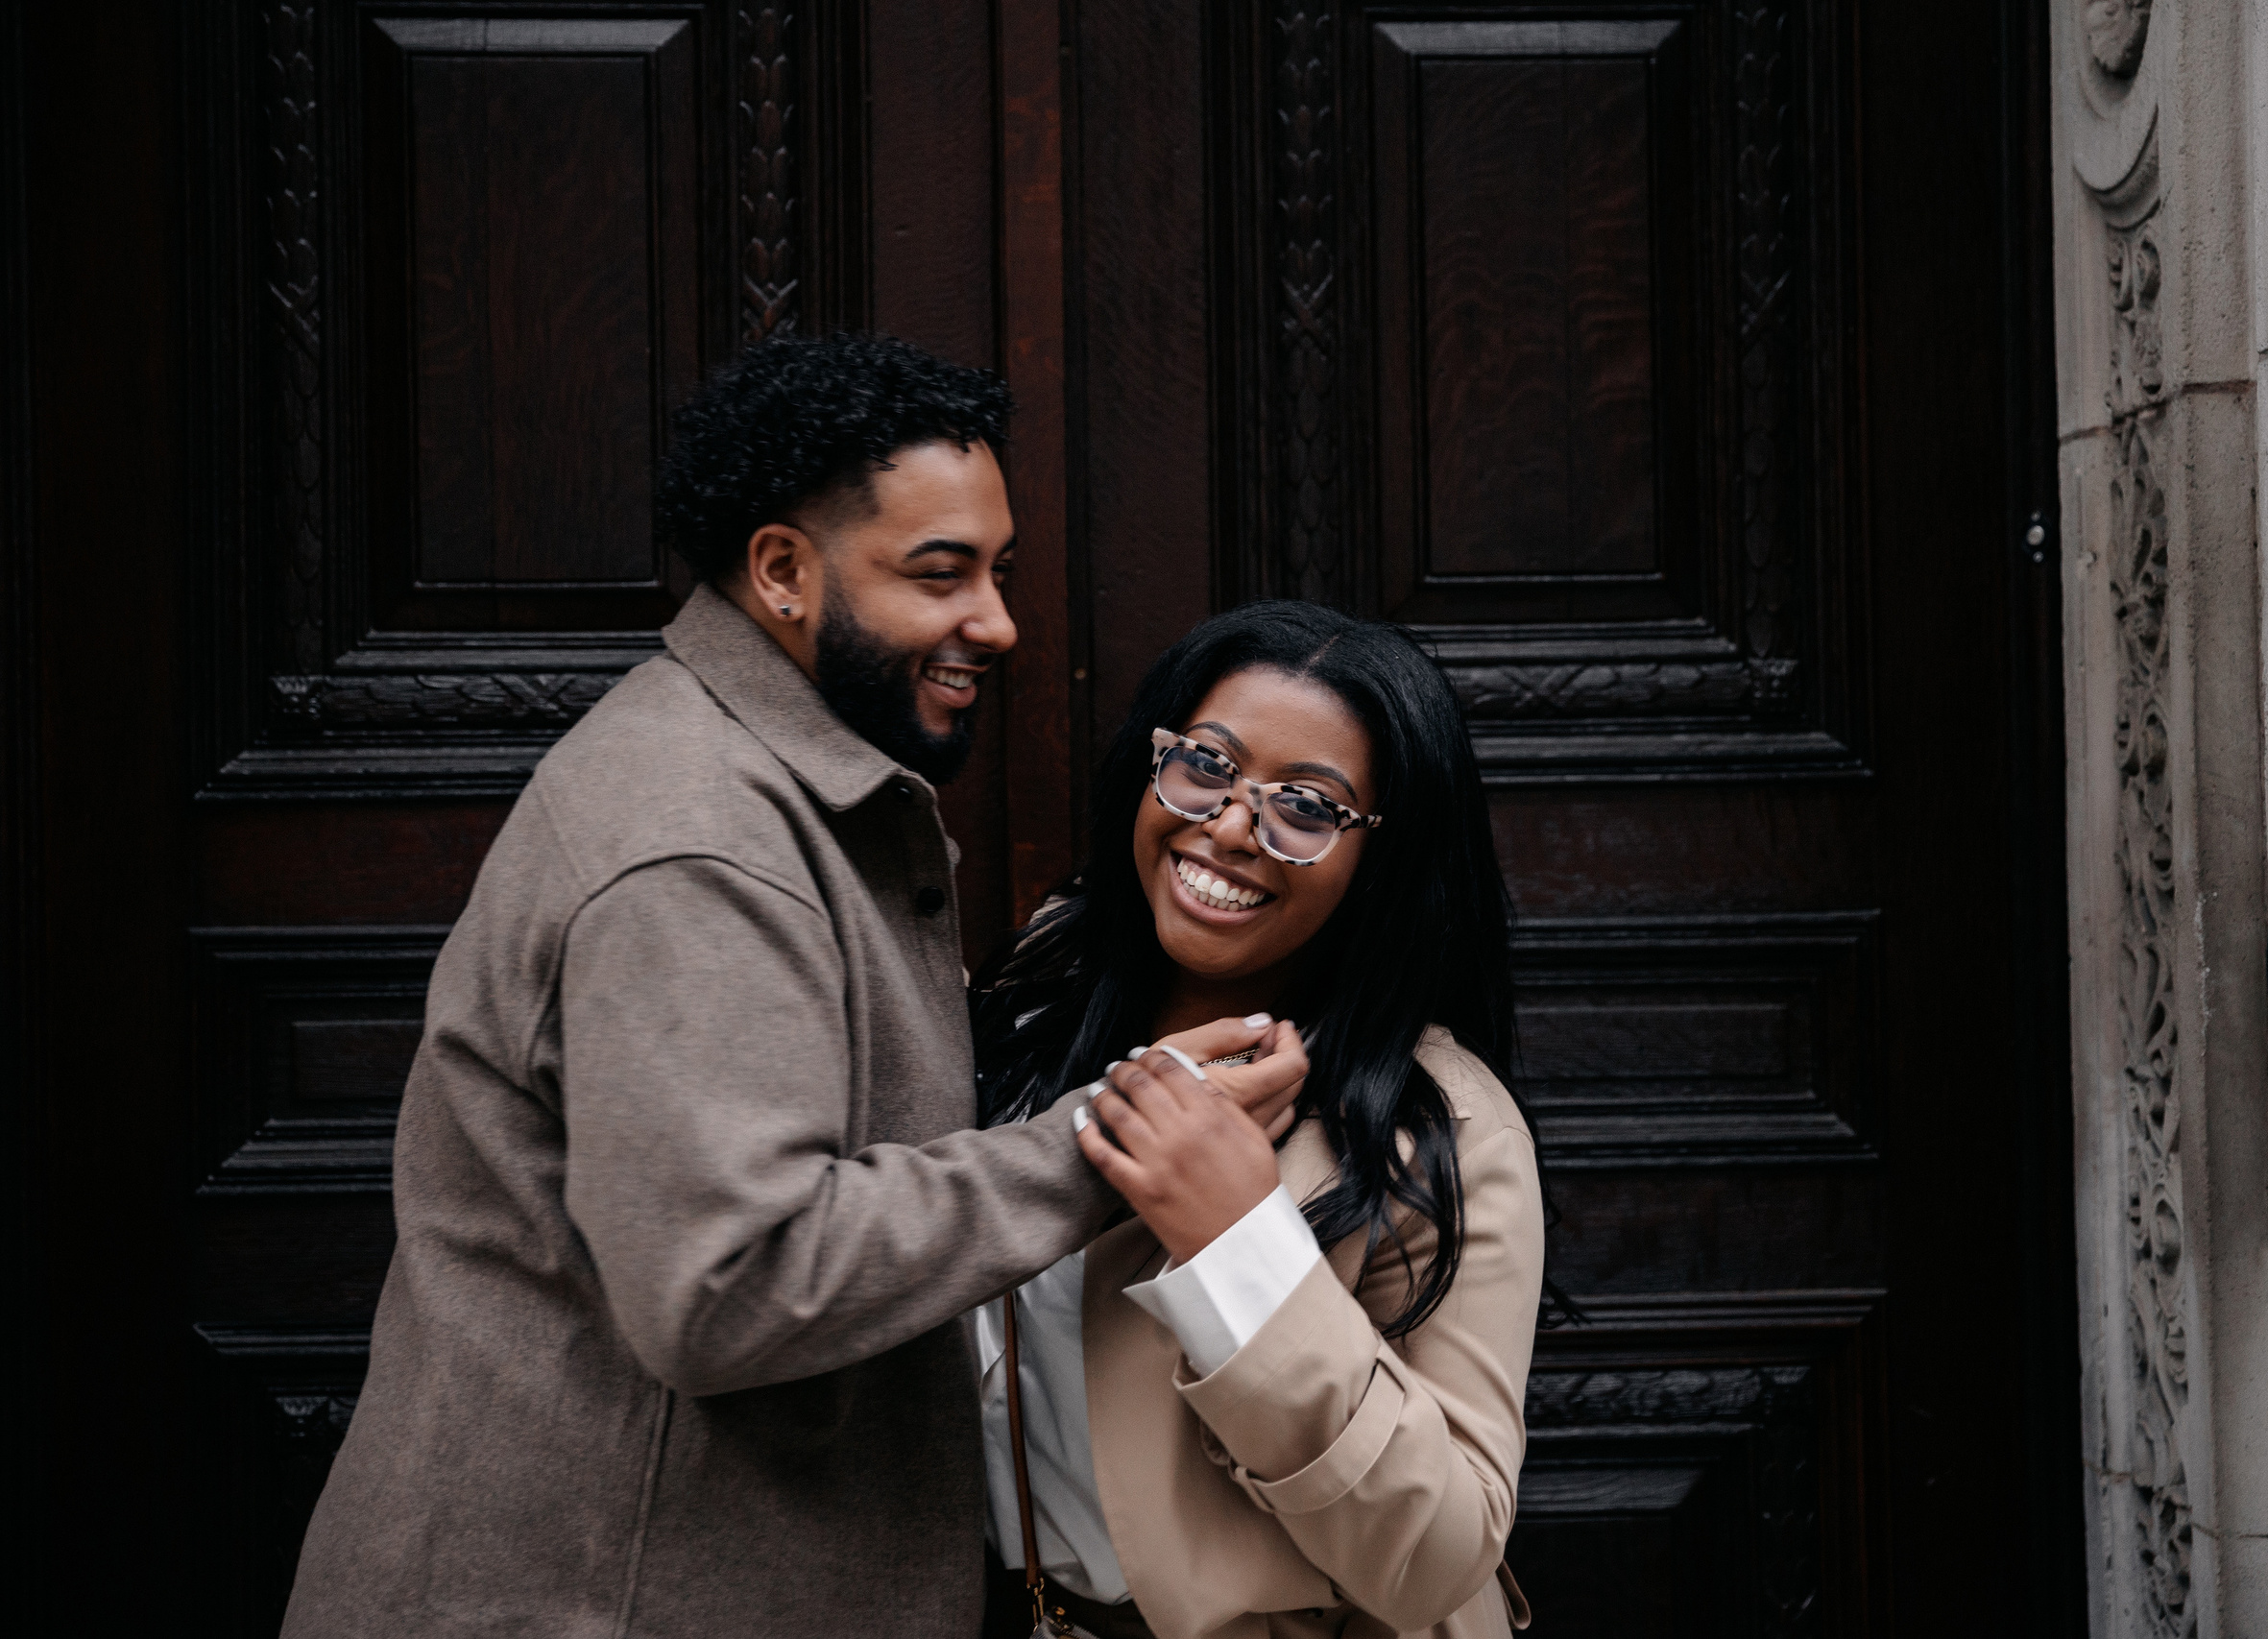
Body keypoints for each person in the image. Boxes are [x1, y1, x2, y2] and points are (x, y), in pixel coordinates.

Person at [280, 333, 1307, 1639]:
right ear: (782, 570)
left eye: (999, 569)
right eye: (941, 573)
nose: (996, 621)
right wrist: (1112, 1141)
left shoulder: (768, 791)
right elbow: (731, 1278)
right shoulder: (698, 842)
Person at [966, 603, 1546, 1639]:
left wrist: (1242, 1249)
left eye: (1307, 809)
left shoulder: (1446, 1123)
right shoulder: (1035, 995)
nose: (1232, 825)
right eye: (1204, 763)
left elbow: (1441, 1555)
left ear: (1384, 856)